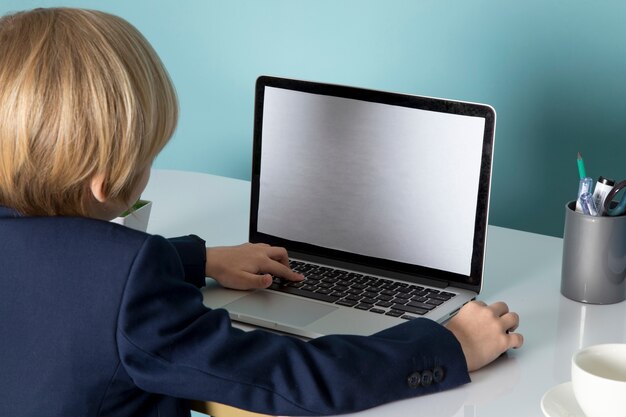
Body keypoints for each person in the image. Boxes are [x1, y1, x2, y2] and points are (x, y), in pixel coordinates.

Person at [0, 7, 523, 417]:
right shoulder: (126, 285)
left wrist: (197, 259)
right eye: (149, 153)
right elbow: (292, 379)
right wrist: (447, 346)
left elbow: (66, 283)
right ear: (106, 181)